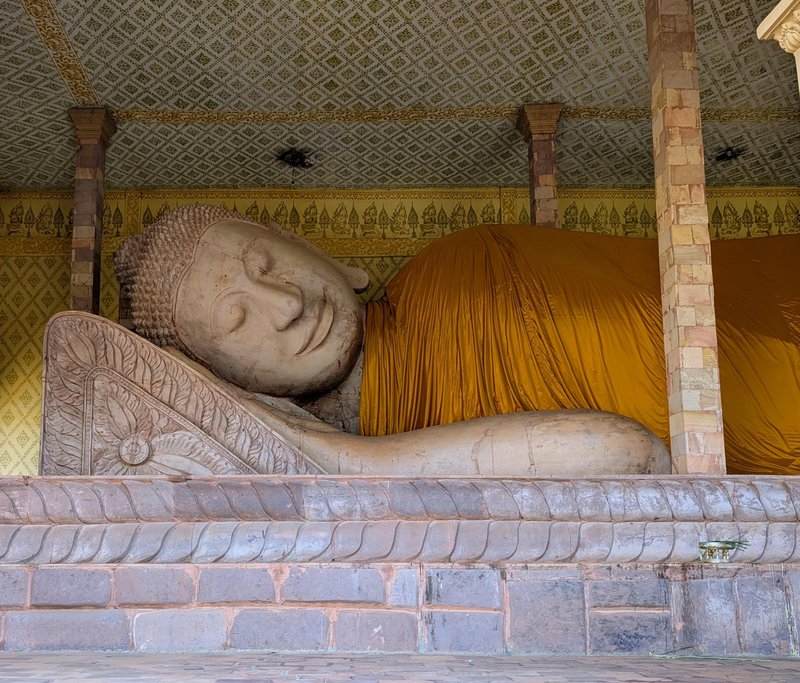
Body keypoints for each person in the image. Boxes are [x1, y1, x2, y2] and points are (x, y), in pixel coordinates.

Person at [115, 204, 670, 476]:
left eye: (270, 265)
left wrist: (350, 462)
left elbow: (634, 456)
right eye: (237, 320)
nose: (286, 305)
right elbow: (625, 453)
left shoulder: (468, 269)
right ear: (222, 381)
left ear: (319, 252)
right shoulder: (392, 434)